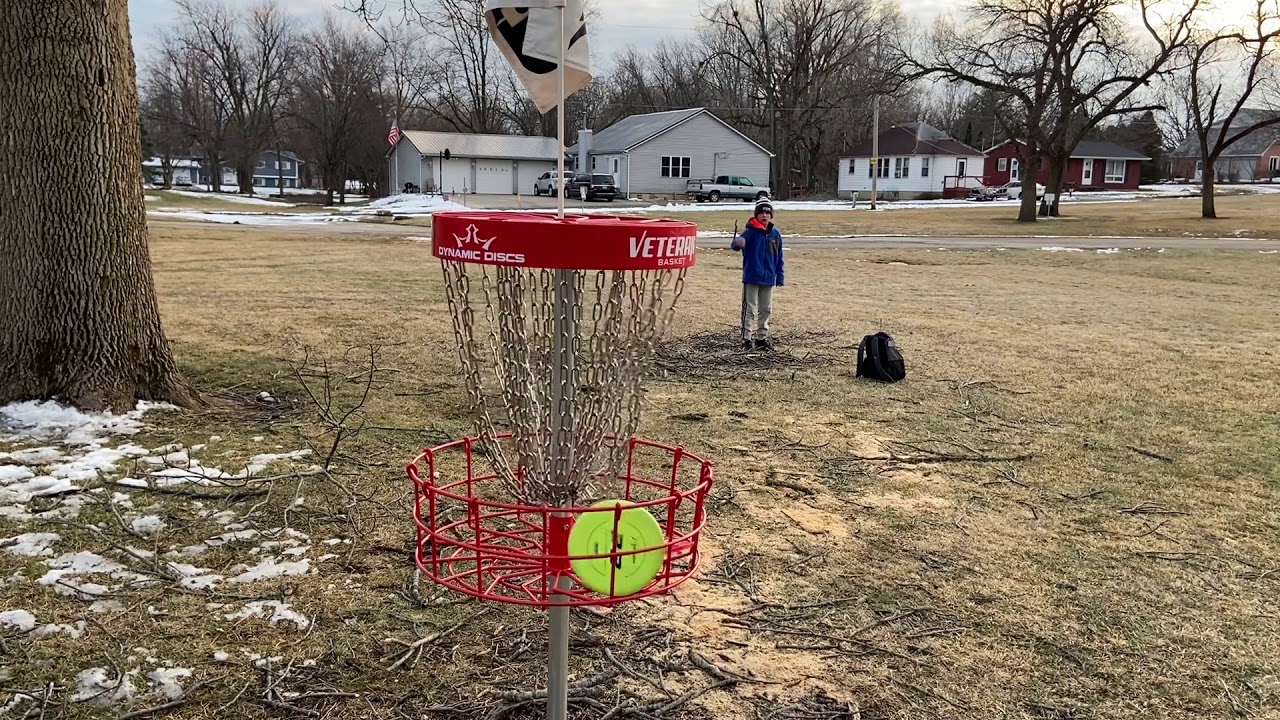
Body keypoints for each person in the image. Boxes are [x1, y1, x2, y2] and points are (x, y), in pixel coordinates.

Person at [731, 198, 784, 351]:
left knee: (766, 309)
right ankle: (746, 340)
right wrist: (738, 243)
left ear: (771, 215)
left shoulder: (775, 234)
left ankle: (761, 338)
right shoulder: (750, 232)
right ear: (756, 215)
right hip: (752, 277)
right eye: (761, 212)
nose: (764, 215)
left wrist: (779, 276)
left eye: (768, 212)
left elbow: (779, 257)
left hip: (768, 278)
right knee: (750, 309)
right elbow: (736, 244)